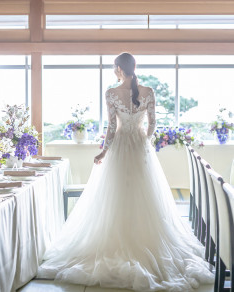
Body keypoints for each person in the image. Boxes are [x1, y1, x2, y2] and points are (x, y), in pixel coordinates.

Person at [38, 53, 214, 291]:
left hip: (119, 148)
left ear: (119, 69)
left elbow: (111, 128)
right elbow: (152, 123)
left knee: (115, 196)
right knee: (146, 198)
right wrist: (144, 140)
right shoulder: (149, 91)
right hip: (141, 148)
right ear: (134, 67)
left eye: (114, 68)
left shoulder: (111, 93)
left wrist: (103, 152)